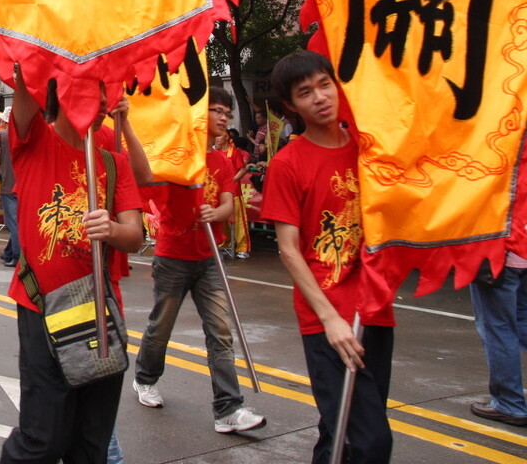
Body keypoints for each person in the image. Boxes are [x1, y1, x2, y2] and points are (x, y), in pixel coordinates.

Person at [0, 70, 145, 464]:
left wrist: (112, 229)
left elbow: (136, 235)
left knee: (91, 446)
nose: (100, 105)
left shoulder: (113, 163)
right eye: (90, 93)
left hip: (100, 312)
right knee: (42, 440)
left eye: (105, 95)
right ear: (61, 93)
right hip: (43, 308)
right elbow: (25, 73)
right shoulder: (34, 142)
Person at [261, 50, 395, 463]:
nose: (320, 97)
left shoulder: (368, 149)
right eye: (305, 92)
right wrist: (330, 319)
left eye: (324, 84)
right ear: (290, 105)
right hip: (328, 320)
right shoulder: (287, 163)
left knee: (341, 432)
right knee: (371, 442)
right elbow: (288, 249)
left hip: (375, 310)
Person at [132, 87, 265, 434]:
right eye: (216, 110)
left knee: (220, 332)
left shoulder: (221, 161)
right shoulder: (173, 157)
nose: (223, 117)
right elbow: (148, 187)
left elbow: (227, 205)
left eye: (227, 112)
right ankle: (144, 378)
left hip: (209, 258)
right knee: (161, 327)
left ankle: (228, 409)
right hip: (173, 257)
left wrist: (213, 213)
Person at [469, 194, 527, 427]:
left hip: (500, 249)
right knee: (521, 321)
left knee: (497, 327)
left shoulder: (498, 157)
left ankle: (509, 403)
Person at [0, 113, 18, 267]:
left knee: (12, 222)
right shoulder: (24, 136)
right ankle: (8, 253)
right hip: (24, 184)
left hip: (8, 184)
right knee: (18, 220)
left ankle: (17, 255)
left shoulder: (1, 135)